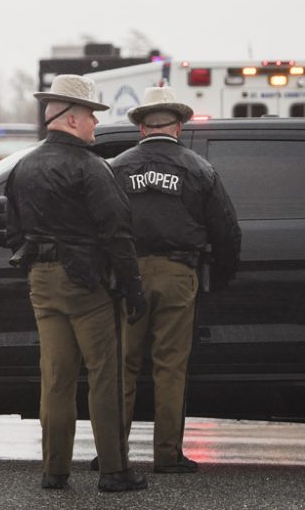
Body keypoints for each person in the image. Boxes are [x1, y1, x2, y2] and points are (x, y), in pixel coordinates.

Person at [4, 74, 149, 493]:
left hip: (42, 283)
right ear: (69, 118)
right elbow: (119, 234)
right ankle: (115, 471)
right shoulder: (92, 168)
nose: (94, 125)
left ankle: (55, 470)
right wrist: (133, 288)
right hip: (88, 286)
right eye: (90, 116)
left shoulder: (23, 167)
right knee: (106, 374)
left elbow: (13, 230)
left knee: (56, 378)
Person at [110, 86, 241, 474]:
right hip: (179, 275)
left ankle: (114, 452)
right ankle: (167, 455)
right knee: (170, 368)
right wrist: (218, 277)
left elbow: (101, 225)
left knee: (123, 367)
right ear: (180, 126)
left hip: (128, 275)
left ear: (141, 128)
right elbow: (227, 231)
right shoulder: (199, 169)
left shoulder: (117, 167)